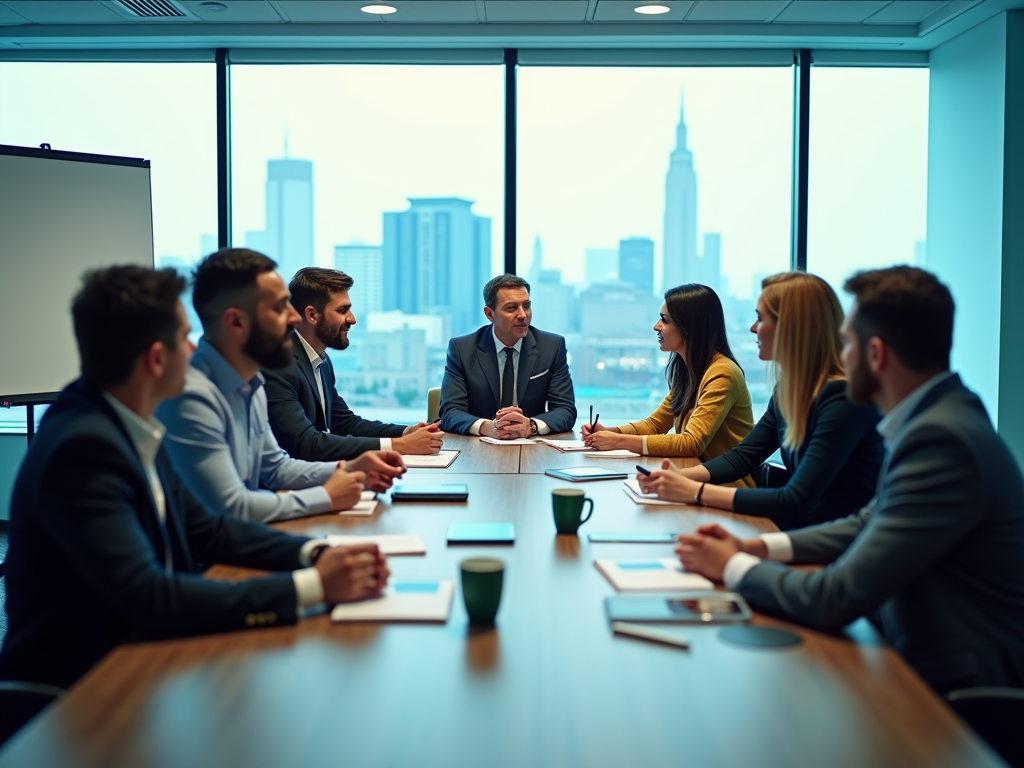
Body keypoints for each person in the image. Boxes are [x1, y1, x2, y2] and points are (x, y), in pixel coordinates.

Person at [0, 266, 390, 692]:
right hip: (77, 694)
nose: (194, 350)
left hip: (141, 662)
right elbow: (152, 597)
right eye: (185, 338)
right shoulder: (83, 449)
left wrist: (316, 553)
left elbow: (209, 528)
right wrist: (313, 586)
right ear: (155, 359)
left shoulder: (131, 424)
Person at [674, 266, 1024, 693]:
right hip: (916, 658)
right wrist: (755, 546)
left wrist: (732, 565)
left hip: (959, 692)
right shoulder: (939, 420)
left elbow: (834, 598)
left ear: (875, 354)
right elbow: (866, 522)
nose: (843, 353)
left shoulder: (941, 439)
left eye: (849, 341)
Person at [158, 249, 405, 523]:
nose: (294, 318)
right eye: (279, 308)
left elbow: (277, 468)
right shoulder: (191, 396)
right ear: (236, 321)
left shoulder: (251, 382)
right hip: (210, 559)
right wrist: (326, 496)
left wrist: (348, 469)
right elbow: (231, 507)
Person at [638, 272, 884, 529]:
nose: (753, 328)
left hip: (833, 542)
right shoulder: (787, 390)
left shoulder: (843, 398)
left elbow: (795, 499)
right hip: (804, 530)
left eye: (760, 318)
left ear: (793, 327)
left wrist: (694, 491)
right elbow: (742, 457)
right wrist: (676, 478)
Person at [263, 267, 443, 461]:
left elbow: (346, 424)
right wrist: (400, 446)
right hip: (285, 487)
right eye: (342, 310)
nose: (352, 319)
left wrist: (406, 432)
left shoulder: (321, 360)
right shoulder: (278, 363)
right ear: (312, 315)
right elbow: (306, 444)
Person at [582, 284, 755, 483]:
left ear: (690, 327)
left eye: (664, 320)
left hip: (726, 488)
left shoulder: (722, 372)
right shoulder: (688, 370)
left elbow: (692, 443)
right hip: (695, 482)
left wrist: (619, 441)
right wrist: (608, 433)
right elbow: (655, 425)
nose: (656, 326)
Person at [439, 274, 576, 438]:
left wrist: (530, 426)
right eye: (511, 308)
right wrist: (486, 427)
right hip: (478, 448)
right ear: (490, 314)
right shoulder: (462, 349)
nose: (522, 315)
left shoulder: (552, 346)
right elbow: (450, 412)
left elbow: (565, 410)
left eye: (526, 306)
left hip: (532, 448)